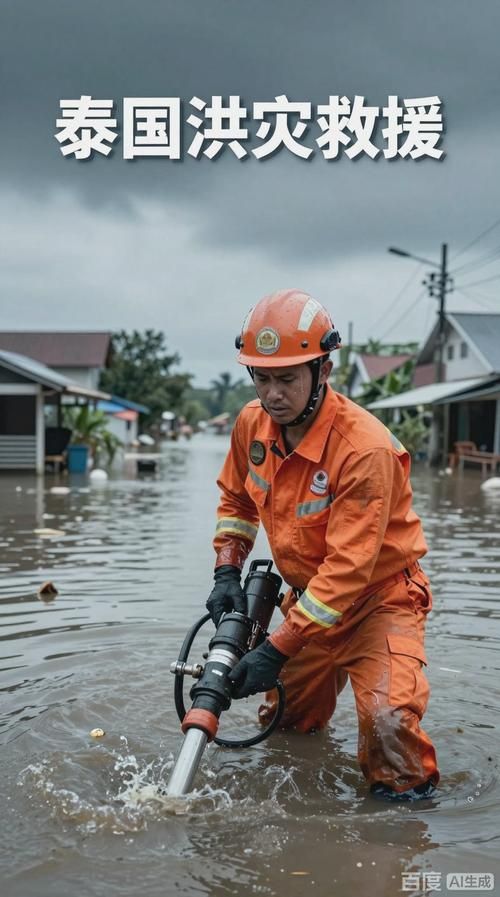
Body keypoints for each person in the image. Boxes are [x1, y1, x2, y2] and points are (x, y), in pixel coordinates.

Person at [206, 289, 439, 800]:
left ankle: (403, 828)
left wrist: (274, 647)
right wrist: (227, 568)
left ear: (324, 370)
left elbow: (350, 568)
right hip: (308, 600)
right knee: (286, 726)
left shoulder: (364, 450)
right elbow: (236, 500)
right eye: (262, 379)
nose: (273, 395)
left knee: (386, 724)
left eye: (287, 378)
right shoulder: (251, 425)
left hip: (380, 602)